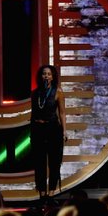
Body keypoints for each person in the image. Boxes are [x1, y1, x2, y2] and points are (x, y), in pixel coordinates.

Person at [30, 64, 67, 199]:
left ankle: (51, 193)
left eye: (49, 74)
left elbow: (62, 113)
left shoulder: (58, 91)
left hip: (53, 129)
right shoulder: (35, 93)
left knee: (54, 162)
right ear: (41, 76)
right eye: (44, 74)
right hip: (38, 130)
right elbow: (33, 113)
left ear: (52, 77)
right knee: (39, 162)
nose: (46, 76)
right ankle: (42, 194)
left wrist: (64, 131)